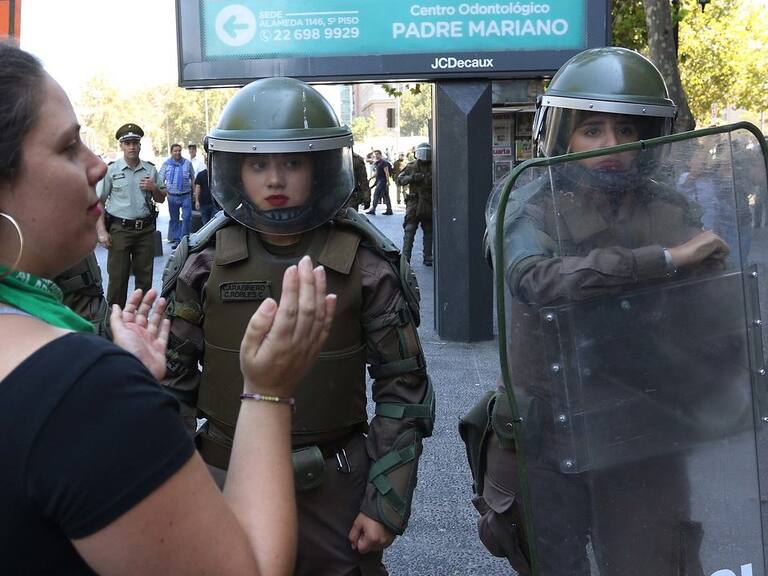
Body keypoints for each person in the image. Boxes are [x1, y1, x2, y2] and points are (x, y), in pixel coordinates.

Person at [0, 41, 335, 575]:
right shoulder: (78, 389)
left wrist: (125, 385)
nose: (95, 165)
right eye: (67, 148)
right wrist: (268, 389)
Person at [466, 47, 733, 575]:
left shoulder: (670, 206)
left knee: (656, 560)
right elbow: (533, 279)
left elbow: (707, 307)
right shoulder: (526, 200)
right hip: (549, 427)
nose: (611, 146)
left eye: (626, 132)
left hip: (642, 421)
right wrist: (663, 259)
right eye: (592, 130)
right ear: (563, 134)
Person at [161, 76, 433, 576]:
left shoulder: (367, 263)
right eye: (258, 163)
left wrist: (385, 501)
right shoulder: (202, 262)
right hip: (220, 478)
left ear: (321, 166)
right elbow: (173, 386)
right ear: (234, 170)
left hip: (332, 486)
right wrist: (173, 491)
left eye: (292, 162)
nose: (275, 180)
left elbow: (404, 389)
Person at [96, 123, 166, 308]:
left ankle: (140, 319)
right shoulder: (111, 170)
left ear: (140, 145)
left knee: (144, 279)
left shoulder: (150, 170)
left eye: (135, 142)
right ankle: (114, 321)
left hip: (145, 231)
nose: (131, 146)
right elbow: (98, 202)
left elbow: (161, 199)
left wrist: (154, 188)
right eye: (127, 143)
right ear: (121, 146)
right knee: (118, 278)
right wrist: (101, 231)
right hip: (120, 230)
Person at [398, 143, 433, 266]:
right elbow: (400, 180)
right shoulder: (411, 166)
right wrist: (412, 178)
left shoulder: (435, 166)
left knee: (428, 231)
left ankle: (428, 256)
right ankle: (406, 257)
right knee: (410, 229)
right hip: (414, 203)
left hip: (428, 202)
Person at [160, 143, 195, 248]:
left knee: (187, 217)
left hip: (186, 195)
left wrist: (194, 193)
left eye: (179, 150)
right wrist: (164, 191)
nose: (178, 152)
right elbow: (160, 180)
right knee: (174, 218)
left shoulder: (187, 163)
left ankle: (184, 238)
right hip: (172, 197)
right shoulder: (166, 164)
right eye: (175, 151)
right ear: (171, 152)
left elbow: (193, 178)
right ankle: (176, 240)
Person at [366, 150, 393, 216]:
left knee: (376, 194)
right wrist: (371, 178)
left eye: (377, 154)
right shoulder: (378, 163)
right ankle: (389, 210)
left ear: (380, 155)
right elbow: (377, 173)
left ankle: (373, 209)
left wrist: (388, 181)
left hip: (382, 181)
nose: (376, 156)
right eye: (375, 154)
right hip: (379, 180)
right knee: (386, 195)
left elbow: (386, 172)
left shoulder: (383, 162)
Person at [194, 157, 217, 224]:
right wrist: (197, 201)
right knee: (205, 224)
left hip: (215, 203)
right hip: (204, 203)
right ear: (205, 162)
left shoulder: (218, 174)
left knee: (214, 224)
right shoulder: (200, 174)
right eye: (207, 161)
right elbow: (197, 188)